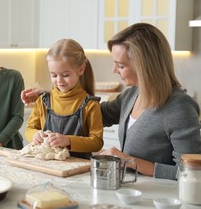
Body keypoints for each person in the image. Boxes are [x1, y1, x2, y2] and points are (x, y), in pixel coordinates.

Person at [22, 23, 201, 180]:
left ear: (144, 65)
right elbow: (87, 112)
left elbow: (190, 173)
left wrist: (127, 160)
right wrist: (50, 97)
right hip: (130, 191)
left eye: (121, 65)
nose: (114, 70)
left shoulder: (179, 108)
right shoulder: (131, 96)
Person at [25, 39, 103, 159]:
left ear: (81, 69)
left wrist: (68, 140)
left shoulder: (90, 104)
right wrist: (35, 135)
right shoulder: (43, 100)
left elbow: (97, 142)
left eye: (65, 75)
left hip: (79, 168)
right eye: (54, 75)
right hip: (48, 166)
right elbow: (30, 129)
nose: (59, 80)